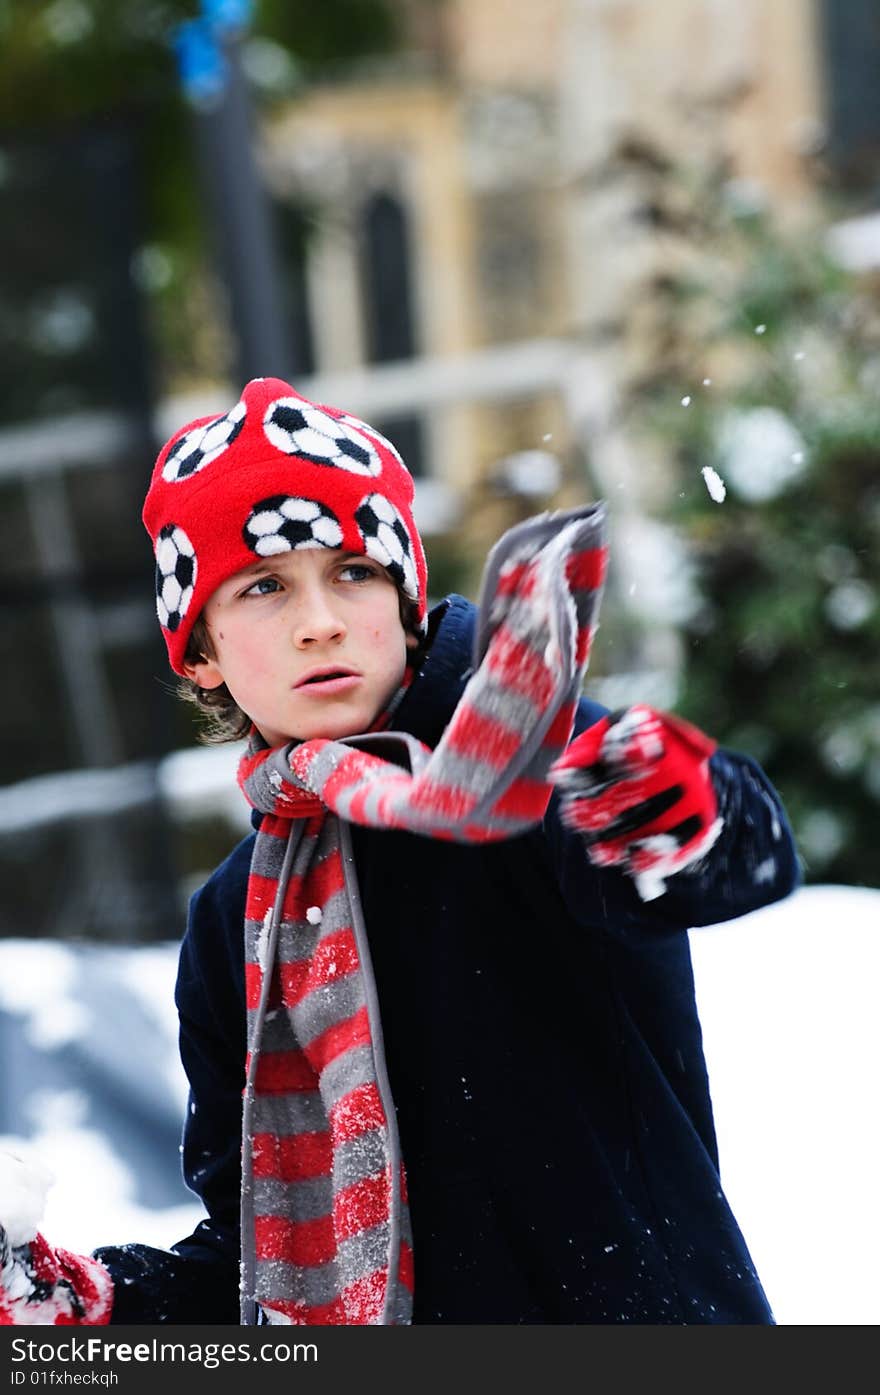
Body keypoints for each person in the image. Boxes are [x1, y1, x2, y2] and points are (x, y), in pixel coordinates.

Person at [0, 376, 800, 1326]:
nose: (322, 619)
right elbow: (257, 1263)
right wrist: (85, 1306)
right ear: (201, 653)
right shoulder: (232, 924)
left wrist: (671, 800)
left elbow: (735, 854)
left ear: (405, 595)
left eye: (353, 571)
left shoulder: (520, 774)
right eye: (263, 587)